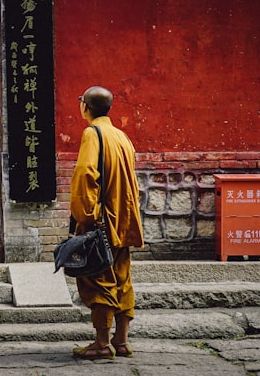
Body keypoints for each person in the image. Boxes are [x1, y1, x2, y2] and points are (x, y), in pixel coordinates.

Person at [69, 86, 144, 360]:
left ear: (85, 107)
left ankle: (101, 344)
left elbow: (86, 176)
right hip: (124, 221)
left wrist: (85, 218)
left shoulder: (93, 134)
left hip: (101, 223)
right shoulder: (121, 136)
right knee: (122, 278)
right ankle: (121, 341)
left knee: (99, 280)